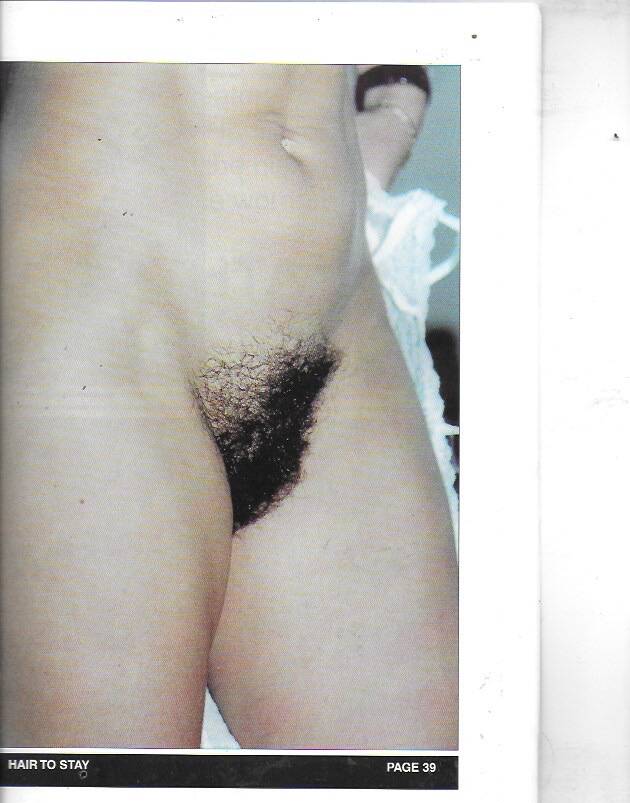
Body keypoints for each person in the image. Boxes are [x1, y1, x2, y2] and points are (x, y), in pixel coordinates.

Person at [1, 64, 458, 749]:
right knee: (119, 787)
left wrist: (385, 112)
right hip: (103, 331)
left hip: (331, 319)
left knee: (413, 779)